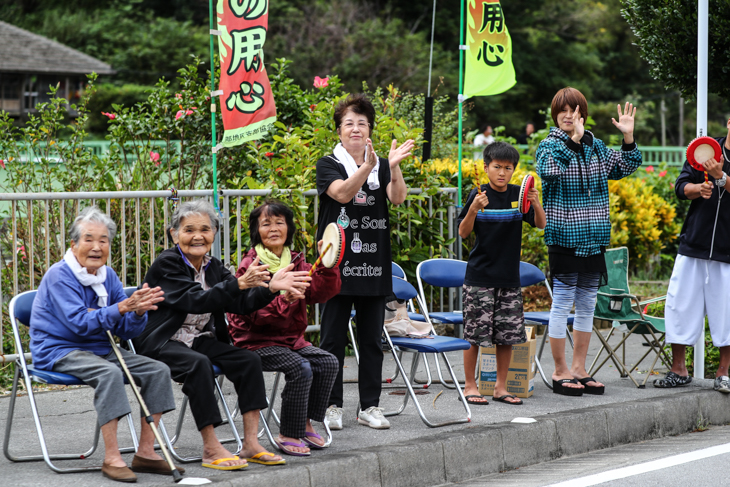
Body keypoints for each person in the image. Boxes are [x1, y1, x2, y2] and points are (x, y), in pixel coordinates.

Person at [133, 199, 311, 470]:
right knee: (198, 365)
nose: (197, 236)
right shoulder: (167, 264)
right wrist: (239, 284)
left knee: (248, 360)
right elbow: (197, 301)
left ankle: (251, 443)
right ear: (174, 233)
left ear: (214, 234)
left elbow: (239, 303)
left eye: (205, 229)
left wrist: (271, 288)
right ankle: (211, 446)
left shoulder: (213, 266)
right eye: (189, 229)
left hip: (197, 340)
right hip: (162, 341)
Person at [30, 206, 181, 483]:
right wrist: (121, 307)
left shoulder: (107, 276)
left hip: (101, 349)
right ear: (74, 244)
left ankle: (146, 452)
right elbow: (79, 323)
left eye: (103, 240)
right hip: (59, 349)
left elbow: (125, 330)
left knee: (157, 370)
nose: (96, 247)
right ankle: (112, 458)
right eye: (89, 239)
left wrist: (136, 311)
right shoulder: (59, 275)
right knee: (109, 374)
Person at [316, 93, 414, 430]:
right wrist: (368, 167)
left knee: (372, 340)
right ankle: (330, 405)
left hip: (374, 264)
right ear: (339, 131)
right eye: (349, 123)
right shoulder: (328, 163)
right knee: (331, 339)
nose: (355, 129)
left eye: (361, 123)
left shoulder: (382, 165)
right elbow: (342, 193)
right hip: (336, 267)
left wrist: (393, 166)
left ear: (369, 129)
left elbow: (397, 197)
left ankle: (370, 406)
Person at [536, 87, 642, 396]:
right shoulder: (550, 146)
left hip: (594, 240)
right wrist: (574, 142)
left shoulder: (596, 146)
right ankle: (559, 371)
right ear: (556, 116)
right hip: (565, 238)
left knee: (585, 306)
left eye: (575, 110)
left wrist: (628, 137)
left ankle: (580, 369)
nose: (569, 115)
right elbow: (549, 172)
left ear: (584, 113)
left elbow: (626, 166)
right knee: (562, 303)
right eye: (563, 111)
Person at [227, 200, 341, 456]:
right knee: (300, 367)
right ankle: (288, 432)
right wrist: (282, 299)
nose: (274, 228)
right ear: (257, 231)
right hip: (254, 341)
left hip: (290, 339)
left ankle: (305, 422)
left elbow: (321, 292)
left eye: (280, 222)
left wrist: (327, 264)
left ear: (289, 228)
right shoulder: (251, 266)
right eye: (266, 224)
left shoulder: (297, 261)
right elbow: (255, 316)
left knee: (328, 362)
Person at [457, 142, 546, 406]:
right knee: (474, 336)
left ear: (513, 170)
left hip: (509, 279)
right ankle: (470, 386)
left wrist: (535, 203)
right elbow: (463, 233)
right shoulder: (478, 194)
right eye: (497, 167)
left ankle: (500, 387)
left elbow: (540, 224)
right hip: (479, 279)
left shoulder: (520, 195)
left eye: (508, 168)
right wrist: (473, 208)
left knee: (507, 336)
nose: (502, 173)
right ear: (486, 168)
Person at [654, 118, 730, 393]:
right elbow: (680, 186)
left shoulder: (719, 163)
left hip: (727, 251)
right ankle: (678, 369)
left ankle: (723, 373)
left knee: (727, 313)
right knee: (679, 304)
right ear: (729, 122)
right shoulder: (706, 149)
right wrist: (698, 189)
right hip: (693, 243)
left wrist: (721, 178)